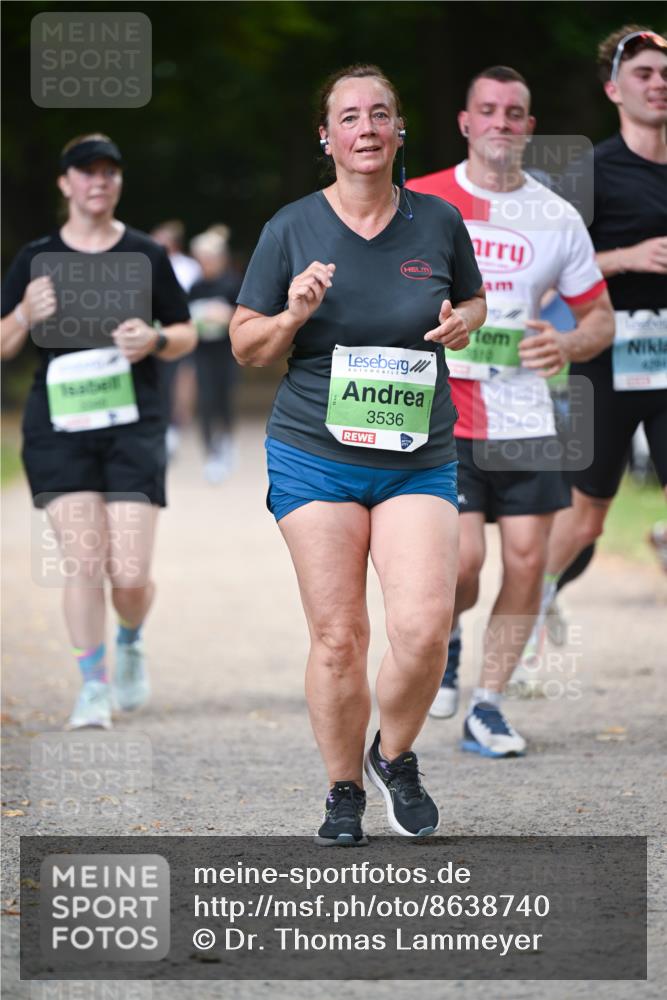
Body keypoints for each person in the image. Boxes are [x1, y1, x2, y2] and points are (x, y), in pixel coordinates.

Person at [229, 64, 486, 844]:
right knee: (339, 635)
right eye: (349, 116)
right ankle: (342, 790)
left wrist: (463, 322)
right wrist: (291, 313)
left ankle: (393, 755)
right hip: (315, 452)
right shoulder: (291, 228)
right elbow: (246, 346)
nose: (366, 128)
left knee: (422, 626)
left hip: (415, 454)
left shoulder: (438, 221)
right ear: (327, 135)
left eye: (380, 114)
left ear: (398, 129)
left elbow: (473, 299)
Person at [407, 66, 615, 755]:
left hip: (524, 415)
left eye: (514, 112)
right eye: (487, 110)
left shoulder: (555, 216)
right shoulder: (420, 201)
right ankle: (450, 637)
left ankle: (486, 706)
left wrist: (567, 340)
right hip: (441, 415)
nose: (500, 122)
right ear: (465, 122)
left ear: (528, 126)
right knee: (462, 564)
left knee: (526, 562)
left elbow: (599, 318)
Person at [1, 134, 196, 729]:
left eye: (109, 171)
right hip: (58, 428)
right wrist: (22, 316)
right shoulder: (36, 259)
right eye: (86, 172)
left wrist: (157, 340)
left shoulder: (144, 255)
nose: (98, 181)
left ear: (118, 183)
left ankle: (130, 637)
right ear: (65, 184)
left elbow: (185, 332)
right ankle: (92, 685)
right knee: (84, 562)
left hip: (133, 426)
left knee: (129, 573)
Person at [542, 27, 667, 585]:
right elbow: (543, 277)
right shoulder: (589, 171)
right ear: (614, 89)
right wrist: (625, 258)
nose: (658, 84)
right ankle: (528, 613)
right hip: (603, 358)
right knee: (585, 518)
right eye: (644, 74)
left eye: (665, 74)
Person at [189, 226, 242, 483]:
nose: (205, 263)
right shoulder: (196, 286)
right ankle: (211, 453)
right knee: (205, 401)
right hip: (202, 353)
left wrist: (226, 316)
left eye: (209, 258)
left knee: (225, 400)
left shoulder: (232, 283)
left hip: (227, 353)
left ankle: (227, 442)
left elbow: (246, 318)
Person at [150, 220, 202, 458]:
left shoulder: (188, 267)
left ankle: (176, 422)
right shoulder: (146, 263)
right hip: (152, 332)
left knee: (181, 376)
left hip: (180, 328)